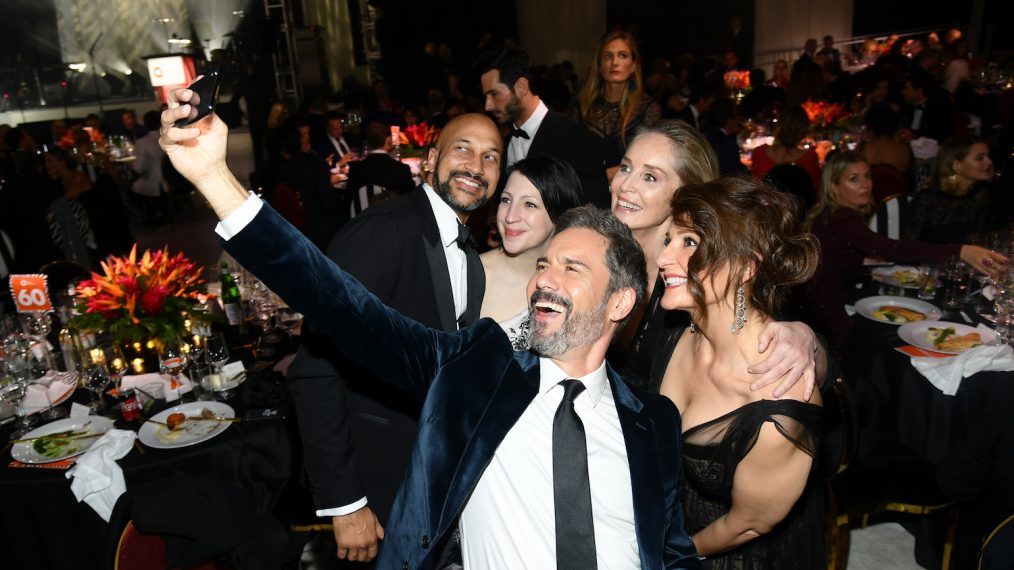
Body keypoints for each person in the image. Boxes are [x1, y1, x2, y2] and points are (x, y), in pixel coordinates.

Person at [157, 91, 702, 568]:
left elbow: (672, 551)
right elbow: (339, 302)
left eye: (572, 268)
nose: (546, 281)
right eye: (544, 265)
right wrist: (214, 178)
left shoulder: (652, 425)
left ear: (620, 302)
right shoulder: (476, 373)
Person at [285, 114, 496, 564]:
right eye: (463, 149)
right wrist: (346, 502)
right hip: (373, 480)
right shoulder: (383, 232)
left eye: (490, 156)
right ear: (432, 159)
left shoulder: (470, 258)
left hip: (425, 480)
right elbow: (315, 369)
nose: (476, 165)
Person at [651, 176, 826, 567]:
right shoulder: (678, 328)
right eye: (670, 240)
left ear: (746, 266)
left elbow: (748, 524)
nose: (665, 258)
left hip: (730, 549)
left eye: (690, 243)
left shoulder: (775, 403)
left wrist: (673, 556)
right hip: (670, 515)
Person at [610, 121, 824, 397]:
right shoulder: (600, 246)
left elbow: (773, 332)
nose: (624, 184)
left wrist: (806, 340)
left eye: (650, 177)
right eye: (625, 167)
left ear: (687, 193)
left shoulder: (708, 268)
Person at [802, 151, 1005, 355]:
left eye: (867, 176)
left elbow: (841, 252)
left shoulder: (832, 214)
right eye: (853, 179)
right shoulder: (843, 219)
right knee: (892, 344)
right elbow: (894, 249)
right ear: (833, 187)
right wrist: (959, 251)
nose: (865, 184)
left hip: (819, 304)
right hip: (830, 313)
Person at [477, 46, 610, 208]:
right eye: (486, 96)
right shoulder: (505, 143)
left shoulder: (576, 138)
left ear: (521, 87)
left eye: (494, 94)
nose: (488, 106)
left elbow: (597, 208)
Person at [480, 156, 583, 349]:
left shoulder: (573, 288)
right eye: (506, 200)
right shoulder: (470, 273)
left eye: (530, 204)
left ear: (560, 216)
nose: (510, 216)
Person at [578, 30, 662, 177]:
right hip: (587, 192)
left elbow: (647, 162)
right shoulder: (584, 107)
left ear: (633, 66)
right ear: (599, 66)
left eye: (622, 56)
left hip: (628, 191)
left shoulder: (647, 109)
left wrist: (601, 176)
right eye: (608, 56)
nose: (614, 63)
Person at [903, 136, 994, 244]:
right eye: (980, 158)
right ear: (956, 165)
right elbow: (907, 245)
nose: (989, 162)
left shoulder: (981, 194)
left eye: (988, 156)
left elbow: (984, 237)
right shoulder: (929, 199)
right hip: (930, 259)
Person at [344, 120, 415, 219]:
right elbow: (411, 202)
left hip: (362, 224)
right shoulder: (401, 169)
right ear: (388, 141)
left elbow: (349, 201)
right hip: (393, 225)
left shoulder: (355, 168)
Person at [749, 105, 821, 190]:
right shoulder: (810, 158)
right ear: (804, 130)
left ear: (778, 125)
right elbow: (815, 194)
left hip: (765, 202)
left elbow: (753, 188)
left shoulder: (759, 152)